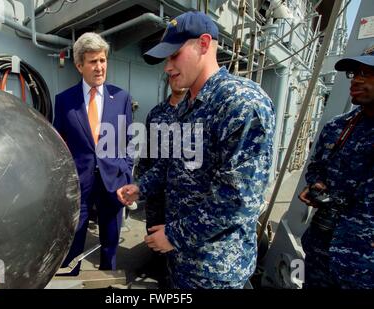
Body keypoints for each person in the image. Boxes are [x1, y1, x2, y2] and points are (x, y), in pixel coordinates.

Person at [117, 11, 275, 288]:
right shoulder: (189, 106)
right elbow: (174, 164)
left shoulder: (241, 103)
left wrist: (175, 235)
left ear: (203, 44)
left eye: (174, 55)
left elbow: (239, 199)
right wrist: (141, 186)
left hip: (215, 268)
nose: (167, 67)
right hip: (182, 259)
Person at [53, 32, 133, 275]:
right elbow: (60, 143)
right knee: (75, 237)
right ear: (79, 65)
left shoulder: (121, 98)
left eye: (103, 60)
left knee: (111, 237)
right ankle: (71, 276)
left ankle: (109, 278)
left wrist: (126, 172)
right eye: (93, 62)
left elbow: (130, 140)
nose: (99, 67)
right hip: (80, 182)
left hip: (113, 181)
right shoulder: (64, 101)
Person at [298, 47, 374, 289]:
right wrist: (316, 184)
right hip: (322, 249)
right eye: (355, 73)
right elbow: (317, 166)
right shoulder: (338, 127)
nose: (356, 80)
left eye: (367, 72)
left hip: (365, 265)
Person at [135, 75, 187, 287]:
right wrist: (141, 187)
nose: (177, 81)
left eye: (180, 76)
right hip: (156, 193)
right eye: (172, 78)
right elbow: (147, 154)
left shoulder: (197, 113)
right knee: (155, 235)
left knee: (178, 244)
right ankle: (159, 274)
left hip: (183, 196)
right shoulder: (156, 113)